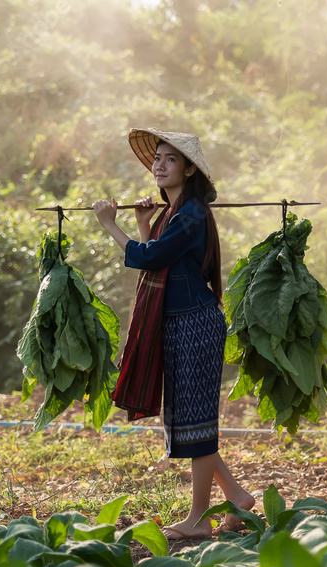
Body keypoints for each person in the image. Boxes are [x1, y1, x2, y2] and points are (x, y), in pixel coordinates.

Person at [92, 128, 255, 540]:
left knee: (196, 420)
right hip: (178, 322)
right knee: (184, 418)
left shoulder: (192, 214)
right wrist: (144, 224)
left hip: (195, 322)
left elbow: (154, 257)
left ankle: (199, 518)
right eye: (157, 159)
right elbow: (156, 265)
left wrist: (111, 226)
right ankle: (235, 496)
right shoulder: (172, 214)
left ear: (188, 169)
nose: (159, 166)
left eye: (169, 159)